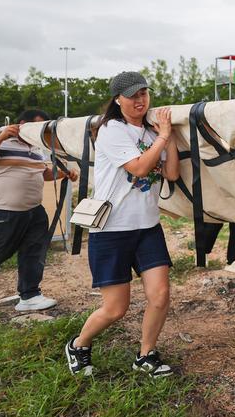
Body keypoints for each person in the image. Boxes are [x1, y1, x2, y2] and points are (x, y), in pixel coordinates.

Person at [65, 71, 180, 378]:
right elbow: (141, 168)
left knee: (160, 295)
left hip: (147, 227)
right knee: (116, 309)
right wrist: (165, 137)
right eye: (132, 95)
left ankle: (146, 355)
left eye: (144, 93)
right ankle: (78, 344)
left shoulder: (154, 132)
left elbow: (171, 174)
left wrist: (169, 137)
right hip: (112, 229)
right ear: (118, 100)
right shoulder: (112, 130)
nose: (139, 100)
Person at [0, 109, 77, 312]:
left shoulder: (36, 148)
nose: (41, 132)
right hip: (1, 211)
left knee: (33, 253)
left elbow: (42, 173)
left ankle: (30, 295)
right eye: (37, 127)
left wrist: (64, 173)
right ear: (23, 125)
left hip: (33, 211)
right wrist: (1, 137)